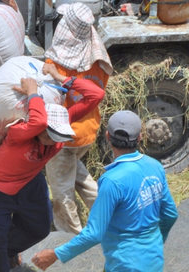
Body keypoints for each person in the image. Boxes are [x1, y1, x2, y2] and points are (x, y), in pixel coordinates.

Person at [0, 63, 105, 271]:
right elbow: (38, 121)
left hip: (30, 183)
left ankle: (8, 251)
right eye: (47, 134)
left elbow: (96, 94)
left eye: (56, 137)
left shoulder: (62, 121)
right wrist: (33, 93)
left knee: (39, 229)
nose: (51, 141)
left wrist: (61, 77)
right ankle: (1, 256)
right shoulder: (19, 133)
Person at [32, 111, 178, 272]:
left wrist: (55, 254)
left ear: (107, 137)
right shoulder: (155, 166)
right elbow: (170, 214)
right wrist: (155, 243)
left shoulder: (112, 181)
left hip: (124, 264)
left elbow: (94, 233)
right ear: (140, 137)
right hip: (154, 261)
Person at [44, 2, 113, 234]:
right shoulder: (101, 61)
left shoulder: (57, 64)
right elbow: (96, 92)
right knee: (79, 177)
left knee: (62, 191)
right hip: (87, 133)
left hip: (63, 136)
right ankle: (108, 215)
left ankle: (70, 235)